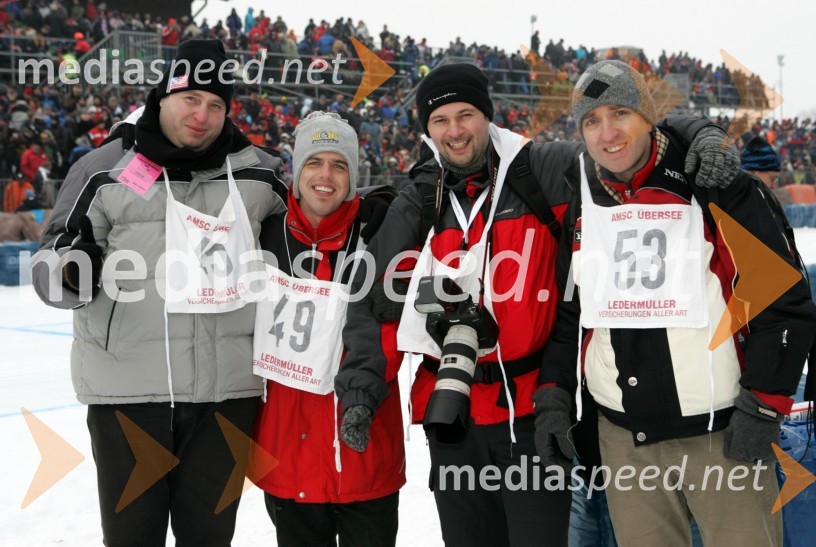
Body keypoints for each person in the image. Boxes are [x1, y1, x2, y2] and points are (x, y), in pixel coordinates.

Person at [334, 62, 740, 547]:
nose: (455, 131)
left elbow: (621, 140)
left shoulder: (541, 167)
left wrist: (699, 132)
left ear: (489, 115)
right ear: (427, 129)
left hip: (531, 415)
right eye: (440, 121)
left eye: (466, 115)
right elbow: (374, 298)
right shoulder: (424, 194)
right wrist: (360, 391)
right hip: (451, 416)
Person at [535, 60, 816, 547]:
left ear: (648, 116)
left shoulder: (713, 184)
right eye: (591, 121)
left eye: (619, 113)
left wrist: (765, 405)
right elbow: (572, 311)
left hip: (723, 435)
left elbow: (786, 303)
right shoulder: (584, 197)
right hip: (625, 439)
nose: (608, 133)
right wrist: (554, 398)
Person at [30, 39, 290, 546]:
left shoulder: (260, 172)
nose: (203, 114)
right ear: (162, 96)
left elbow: (306, 244)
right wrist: (67, 269)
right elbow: (47, 257)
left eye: (216, 104)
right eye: (191, 98)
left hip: (227, 396)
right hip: (130, 397)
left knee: (210, 539)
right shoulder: (102, 168)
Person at [252, 111, 404, 546]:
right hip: (288, 454)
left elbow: (394, 331)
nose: (326, 175)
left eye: (339, 165)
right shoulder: (264, 236)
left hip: (365, 451)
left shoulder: (382, 236)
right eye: (314, 162)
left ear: (353, 175)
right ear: (296, 170)